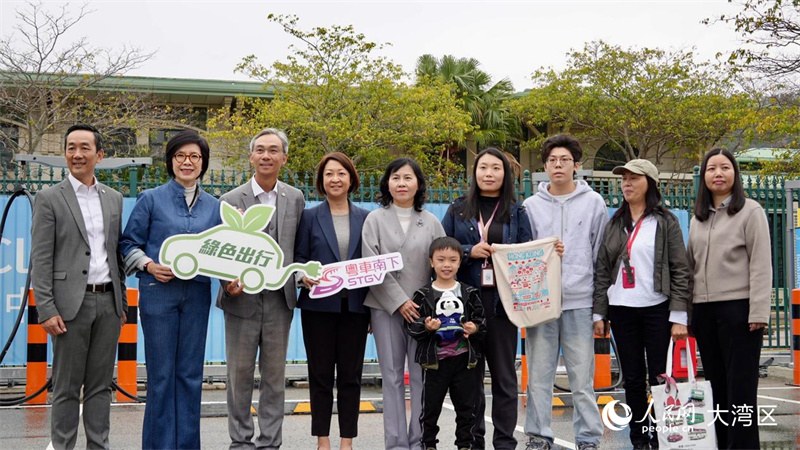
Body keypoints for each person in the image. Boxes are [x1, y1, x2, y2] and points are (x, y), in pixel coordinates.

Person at [119, 130, 220, 449]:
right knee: (161, 377)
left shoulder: (216, 207)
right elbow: (127, 243)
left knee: (190, 377)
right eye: (180, 156)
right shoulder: (150, 199)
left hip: (197, 296)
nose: (187, 162)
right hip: (158, 295)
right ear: (170, 160)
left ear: (203, 163)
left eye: (194, 157)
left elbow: (222, 253)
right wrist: (149, 265)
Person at [31, 124, 127, 450]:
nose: (77, 154)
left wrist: (122, 305)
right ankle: (62, 447)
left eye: (85, 147)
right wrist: (46, 308)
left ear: (99, 155)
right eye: (71, 147)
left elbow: (116, 253)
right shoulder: (48, 199)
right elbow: (41, 259)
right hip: (70, 306)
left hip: (109, 304)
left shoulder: (114, 199)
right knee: (67, 387)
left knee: (101, 387)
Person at [592, 159, 690, 450]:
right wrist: (600, 312)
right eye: (624, 179)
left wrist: (679, 315)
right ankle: (639, 438)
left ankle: (663, 437)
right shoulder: (614, 224)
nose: (627, 183)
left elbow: (680, 269)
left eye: (634, 178)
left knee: (661, 376)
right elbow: (601, 270)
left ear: (650, 183)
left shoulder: (665, 222)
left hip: (657, 308)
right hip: (622, 309)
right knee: (633, 379)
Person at [216, 128, 305, 449]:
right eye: (260, 150)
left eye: (273, 150)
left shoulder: (295, 198)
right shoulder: (230, 200)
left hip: (280, 301)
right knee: (238, 378)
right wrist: (228, 284)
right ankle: (240, 442)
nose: (266, 156)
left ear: (284, 157)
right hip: (241, 303)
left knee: (274, 379)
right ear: (251, 156)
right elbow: (219, 252)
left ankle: (270, 443)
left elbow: (298, 249)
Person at [442, 147, 533, 450]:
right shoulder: (458, 210)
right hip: (465, 307)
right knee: (470, 379)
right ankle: (473, 440)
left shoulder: (517, 212)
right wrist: (469, 251)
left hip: (502, 308)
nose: (489, 173)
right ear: (475, 173)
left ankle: (505, 442)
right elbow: (444, 250)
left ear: (505, 175)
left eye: (496, 168)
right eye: (483, 167)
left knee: (505, 379)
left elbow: (526, 258)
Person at [522, 134, 607, 450]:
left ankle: (587, 437)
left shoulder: (594, 202)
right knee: (539, 378)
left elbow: (600, 255)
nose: (558, 165)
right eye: (552, 160)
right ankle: (538, 435)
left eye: (565, 160)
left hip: (579, 300)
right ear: (545, 166)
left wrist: (600, 308)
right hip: (541, 304)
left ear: (576, 165)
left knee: (582, 380)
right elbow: (523, 255)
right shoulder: (530, 206)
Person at [687, 148, 771, 449]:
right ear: (704, 176)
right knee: (716, 388)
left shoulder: (751, 211)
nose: (718, 174)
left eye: (724, 167)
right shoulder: (698, 219)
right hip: (705, 312)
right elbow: (691, 266)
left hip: (740, 310)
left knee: (741, 390)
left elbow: (761, 265)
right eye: (711, 169)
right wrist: (689, 314)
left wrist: (759, 312)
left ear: (734, 174)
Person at [362, 157, 445, 450]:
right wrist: (399, 302)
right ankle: (396, 442)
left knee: (421, 376)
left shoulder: (431, 222)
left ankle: (419, 440)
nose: (401, 183)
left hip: (423, 312)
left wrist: (423, 303)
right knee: (393, 377)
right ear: (387, 183)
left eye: (408, 178)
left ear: (418, 184)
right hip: (384, 308)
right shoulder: (374, 220)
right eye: (396, 177)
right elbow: (371, 266)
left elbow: (440, 265)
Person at [295, 153, 371, 450]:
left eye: (341, 173)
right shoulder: (310, 217)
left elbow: (372, 265)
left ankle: (347, 440)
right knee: (321, 375)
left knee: (351, 376)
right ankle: (323, 439)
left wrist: (373, 311)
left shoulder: (366, 218)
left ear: (351, 179)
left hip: (355, 309)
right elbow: (298, 258)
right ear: (321, 181)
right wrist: (302, 276)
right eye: (329, 174)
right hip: (317, 309)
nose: (335, 179)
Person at [406, 236, 486, 450]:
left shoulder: (469, 293)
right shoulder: (423, 295)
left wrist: (474, 328)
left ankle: (465, 445)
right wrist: (426, 326)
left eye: (452, 260)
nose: (446, 265)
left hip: (464, 362)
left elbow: (482, 323)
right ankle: (429, 445)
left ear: (460, 262)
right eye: (441, 259)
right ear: (431, 262)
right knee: (430, 410)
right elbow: (412, 326)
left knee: (466, 409)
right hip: (435, 364)